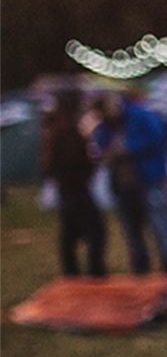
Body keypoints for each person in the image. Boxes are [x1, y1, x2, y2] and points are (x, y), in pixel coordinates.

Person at [92, 90, 167, 274]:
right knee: (132, 228)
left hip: (149, 178)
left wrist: (129, 149)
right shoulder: (105, 127)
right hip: (123, 183)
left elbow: (157, 136)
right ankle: (141, 266)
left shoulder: (140, 115)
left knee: (159, 223)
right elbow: (101, 146)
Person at [40, 90, 107, 277]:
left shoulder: (54, 126)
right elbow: (73, 158)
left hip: (67, 188)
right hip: (75, 188)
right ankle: (95, 272)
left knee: (69, 235)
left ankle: (72, 274)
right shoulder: (65, 128)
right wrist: (91, 162)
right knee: (95, 232)